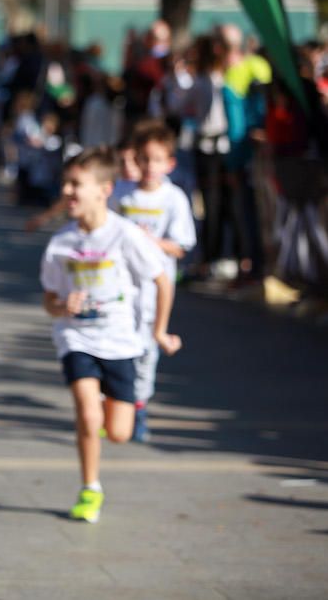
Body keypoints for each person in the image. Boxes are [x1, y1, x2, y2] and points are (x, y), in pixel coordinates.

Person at [40, 147, 182, 523]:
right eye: (65, 183)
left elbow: (162, 280)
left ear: (105, 189)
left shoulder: (126, 235)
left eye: (76, 184)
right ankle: (90, 488)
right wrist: (61, 307)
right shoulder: (61, 242)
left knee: (118, 432)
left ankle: (112, 418)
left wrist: (160, 330)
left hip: (121, 341)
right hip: (77, 338)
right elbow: (49, 299)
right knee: (88, 415)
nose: (68, 191)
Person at [110, 121, 195, 442]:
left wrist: (151, 242)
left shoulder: (173, 199)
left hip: (155, 289)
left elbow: (181, 246)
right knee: (119, 347)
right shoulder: (121, 192)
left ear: (169, 164)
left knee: (146, 349)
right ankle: (119, 405)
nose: (149, 167)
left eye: (157, 160)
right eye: (144, 159)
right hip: (119, 285)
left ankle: (140, 405)